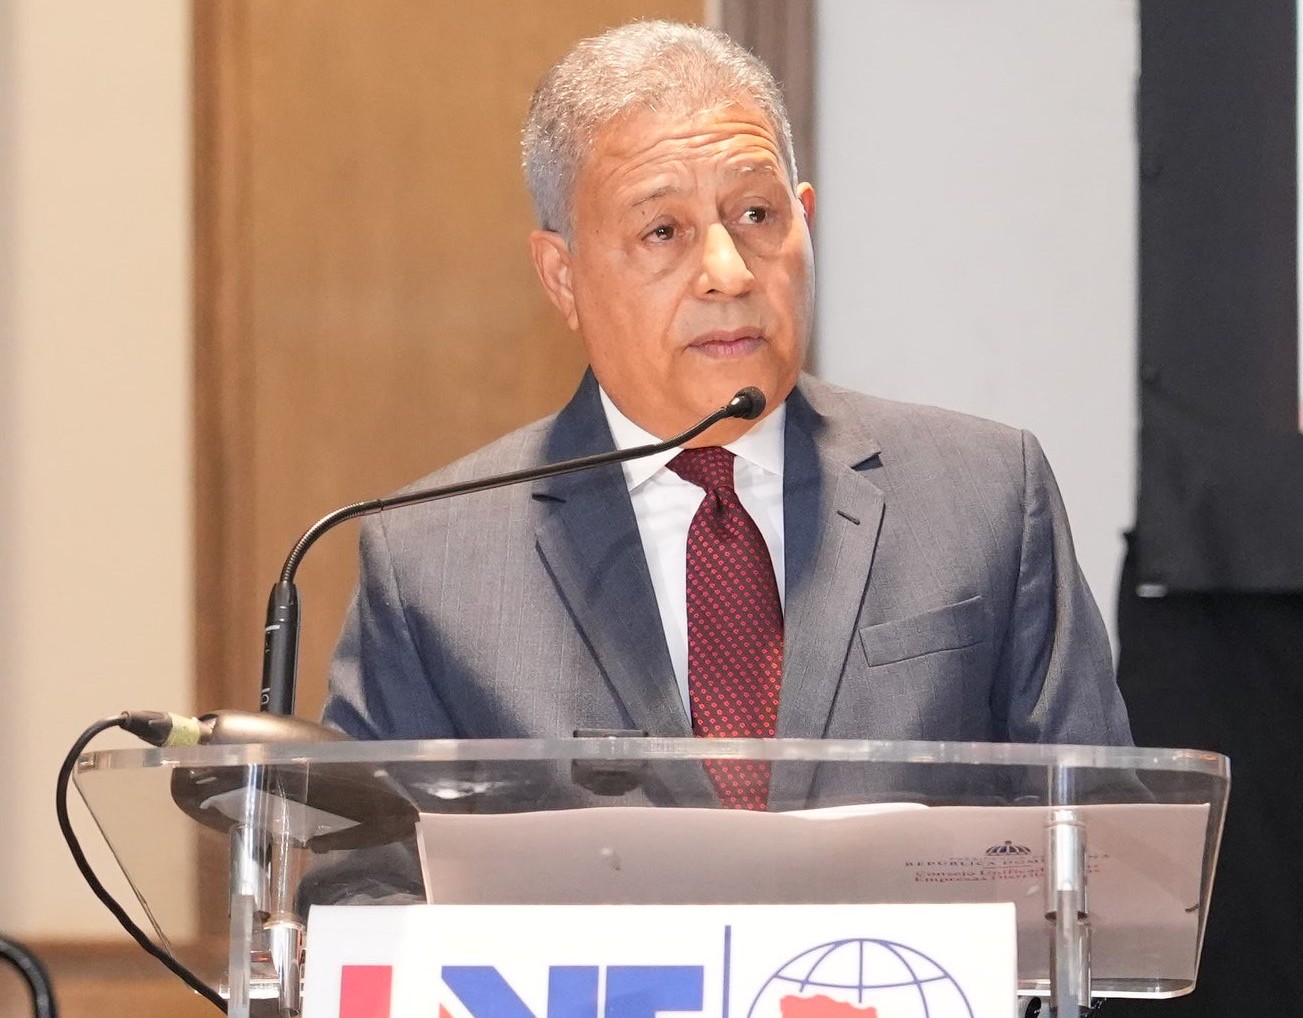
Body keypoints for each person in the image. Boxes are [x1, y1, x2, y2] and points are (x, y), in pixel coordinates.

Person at [322, 21, 1132, 773]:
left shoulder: (984, 497)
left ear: (804, 220)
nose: (730, 271)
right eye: (663, 231)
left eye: (756, 214)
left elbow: (1105, 844)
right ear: (562, 277)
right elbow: (368, 868)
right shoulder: (434, 566)